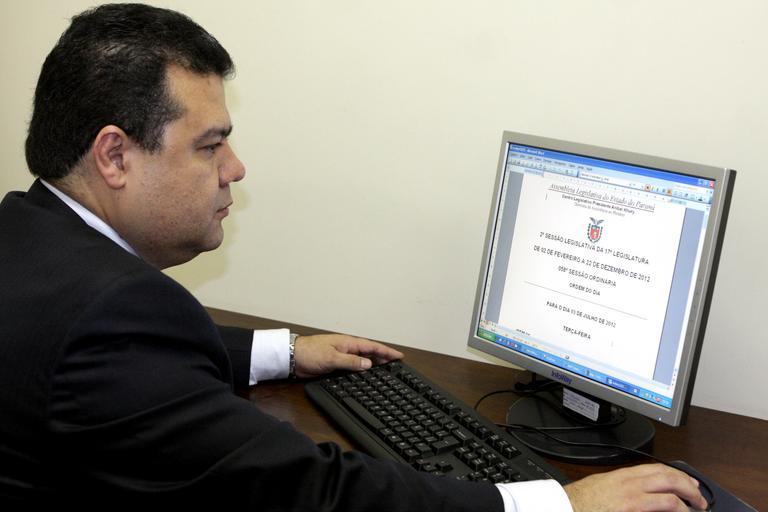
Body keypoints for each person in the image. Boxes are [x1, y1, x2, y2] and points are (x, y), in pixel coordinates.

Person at [0, 4, 708, 511]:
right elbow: (310, 491)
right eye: (210, 145)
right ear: (115, 156)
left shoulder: (28, 237)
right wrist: (559, 504)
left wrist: (283, 353)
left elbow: (131, 359)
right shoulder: (114, 315)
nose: (235, 169)